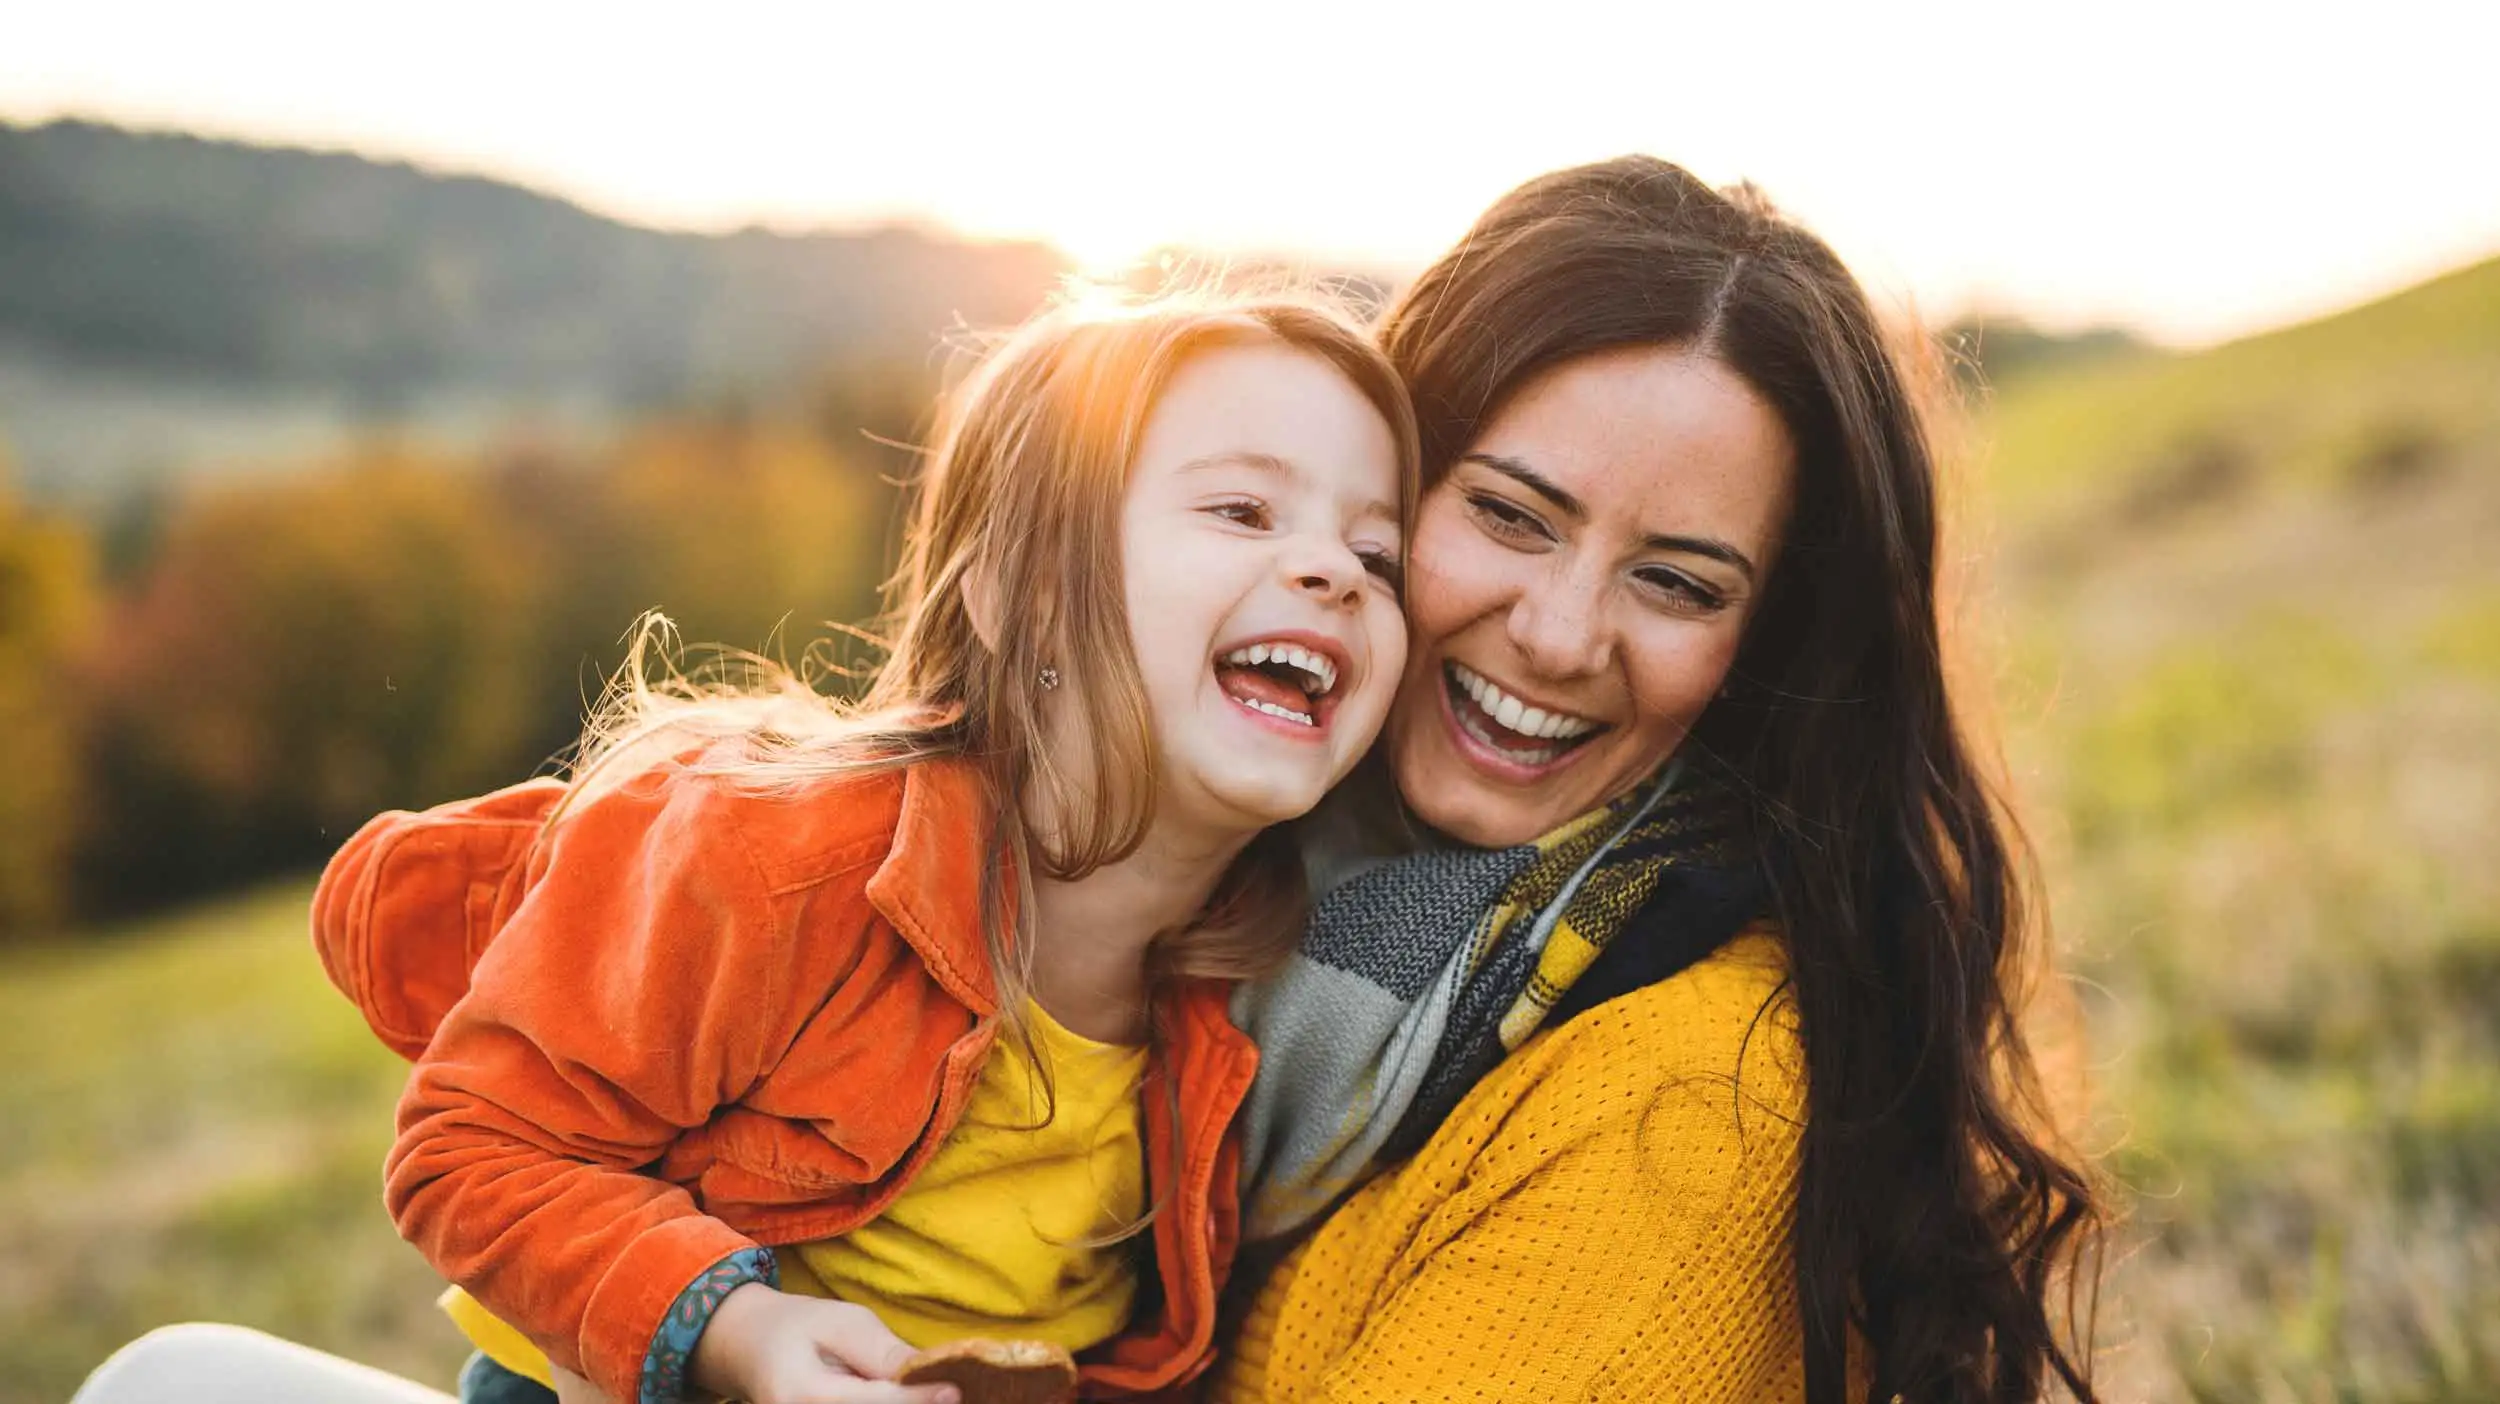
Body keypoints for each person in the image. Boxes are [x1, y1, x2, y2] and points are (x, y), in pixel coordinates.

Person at [320, 287, 1418, 1404]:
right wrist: (732, 1331)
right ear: (1022, 596)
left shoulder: (1263, 991)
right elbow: (470, 1150)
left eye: (1380, 556)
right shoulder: (777, 857)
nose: (1333, 570)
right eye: (1243, 510)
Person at [1212, 157, 2104, 1403]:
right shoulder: (1194, 872)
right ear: (1377, 485)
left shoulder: (1682, 1104)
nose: (1562, 637)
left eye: (1678, 583)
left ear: (1766, 649)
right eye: (1513, 516)